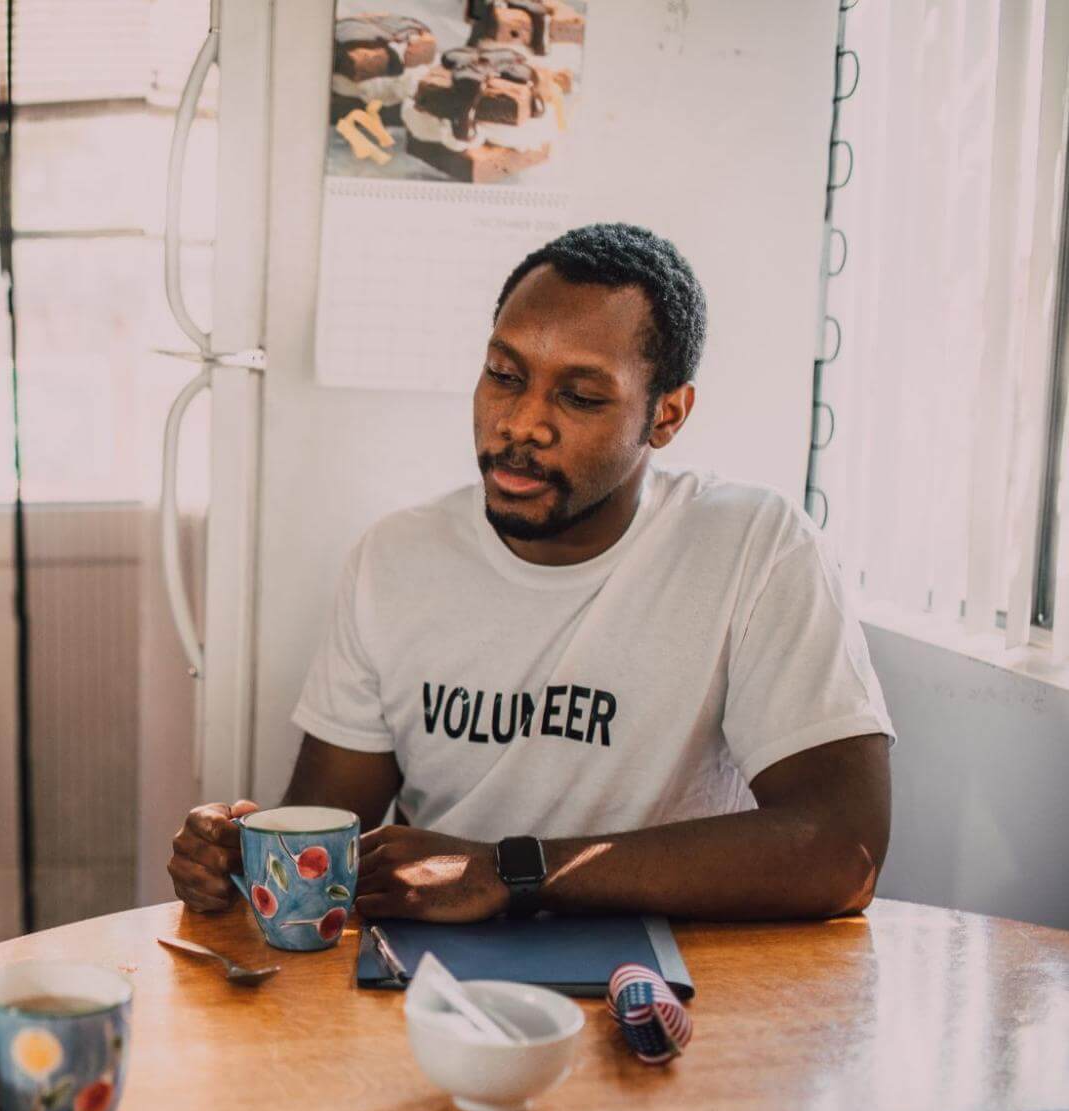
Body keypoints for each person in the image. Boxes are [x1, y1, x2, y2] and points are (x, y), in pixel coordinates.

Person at [170, 223, 893, 923]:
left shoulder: (754, 545)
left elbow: (841, 850)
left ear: (666, 414)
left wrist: (508, 872)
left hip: (675, 978)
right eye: (504, 376)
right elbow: (331, 830)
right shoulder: (393, 559)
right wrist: (239, 852)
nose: (520, 423)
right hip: (433, 985)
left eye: (578, 396)